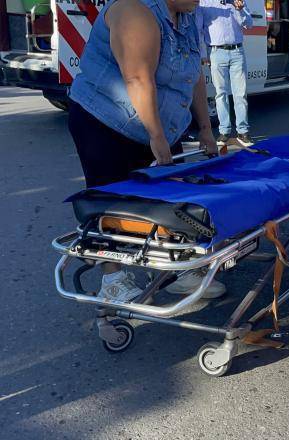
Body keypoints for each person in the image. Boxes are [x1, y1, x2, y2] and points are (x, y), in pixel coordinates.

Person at [67, 0, 225, 301]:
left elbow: (194, 75)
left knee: (167, 197)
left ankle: (171, 268)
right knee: (110, 202)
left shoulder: (186, 17)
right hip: (105, 121)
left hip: (157, 125)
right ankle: (113, 281)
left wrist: (205, 128)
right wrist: (157, 137)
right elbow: (138, 77)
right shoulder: (134, 10)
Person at [196, 0, 254, 147]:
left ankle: (243, 131)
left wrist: (240, 10)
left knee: (240, 93)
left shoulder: (237, 1)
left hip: (237, 51)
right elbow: (199, 29)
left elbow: (249, 24)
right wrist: (203, 54)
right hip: (216, 52)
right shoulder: (204, 3)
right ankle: (224, 131)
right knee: (220, 93)